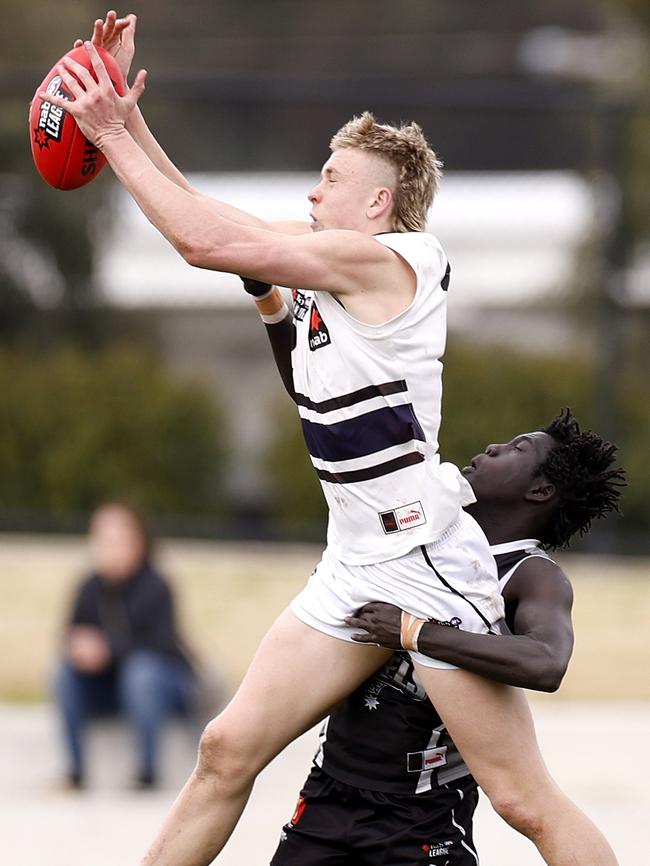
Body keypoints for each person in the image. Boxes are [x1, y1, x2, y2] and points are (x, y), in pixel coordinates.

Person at [43, 13, 619, 865]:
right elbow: (210, 222)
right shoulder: (333, 282)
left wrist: (102, 133)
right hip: (351, 561)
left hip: (420, 559)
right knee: (223, 754)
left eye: (329, 176)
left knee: (524, 802)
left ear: (377, 204)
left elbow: (201, 242)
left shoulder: (397, 262)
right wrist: (126, 125)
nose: (313, 194)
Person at [268, 409, 625, 865]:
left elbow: (546, 662)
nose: (494, 448)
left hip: (421, 816)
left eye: (518, 448)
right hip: (330, 793)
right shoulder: (420, 535)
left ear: (541, 491)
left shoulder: (531, 575)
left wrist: (415, 633)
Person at [53, 501, 197, 789]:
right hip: (110, 686)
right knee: (63, 674)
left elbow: (160, 643)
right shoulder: (89, 587)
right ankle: (75, 772)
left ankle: (146, 771)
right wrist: (79, 649)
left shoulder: (156, 586)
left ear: (139, 542)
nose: (109, 549)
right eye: (102, 540)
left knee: (141, 671)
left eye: (117, 540)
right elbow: (70, 634)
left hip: (164, 685)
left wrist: (107, 650)